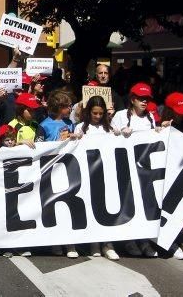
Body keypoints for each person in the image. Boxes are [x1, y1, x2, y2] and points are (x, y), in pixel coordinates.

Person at [110, 82, 159, 258]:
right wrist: (119, 132)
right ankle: (129, 240)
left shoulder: (151, 118)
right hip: (125, 168)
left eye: (147, 99)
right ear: (133, 99)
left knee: (144, 204)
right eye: (141, 98)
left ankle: (144, 240)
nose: (144, 102)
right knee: (128, 204)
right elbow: (109, 136)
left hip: (145, 170)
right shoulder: (121, 116)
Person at [72, 96, 120, 261]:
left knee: (107, 207)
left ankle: (107, 244)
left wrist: (123, 134)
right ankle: (93, 243)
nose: (98, 117)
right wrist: (74, 138)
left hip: (107, 174)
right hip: (87, 175)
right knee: (91, 207)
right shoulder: (81, 127)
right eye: (95, 113)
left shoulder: (111, 128)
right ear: (88, 112)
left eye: (101, 113)